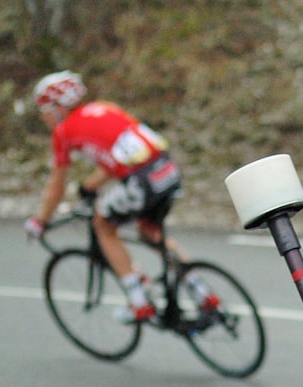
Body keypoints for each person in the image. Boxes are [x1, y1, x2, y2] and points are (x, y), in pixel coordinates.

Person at [25, 71, 188, 323]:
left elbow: (56, 186)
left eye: (44, 110)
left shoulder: (63, 132)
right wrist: (89, 186)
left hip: (141, 180)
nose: (42, 116)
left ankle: (138, 300)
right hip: (166, 169)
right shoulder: (104, 108)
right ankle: (200, 289)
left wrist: (41, 221)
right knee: (151, 233)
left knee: (103, 224)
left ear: (58, 108)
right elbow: (117, 155)